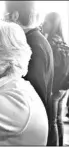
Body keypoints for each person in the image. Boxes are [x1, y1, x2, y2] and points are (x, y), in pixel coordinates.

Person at [4, 1, 54, 145]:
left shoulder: (31, 45)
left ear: (14, 16)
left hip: (31, 126)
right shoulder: (36, 39)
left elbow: (34, 91)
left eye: (5, 16)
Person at [42, 12, 69, 146]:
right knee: (58, 119)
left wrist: (51, 88)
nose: (43, 24)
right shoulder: (63, 41)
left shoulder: (50, 42)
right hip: (64, 88)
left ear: (52, 24)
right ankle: (60, 144)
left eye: (46, 22)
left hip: (54, 88)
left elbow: (49, 69)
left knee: (51, 121)